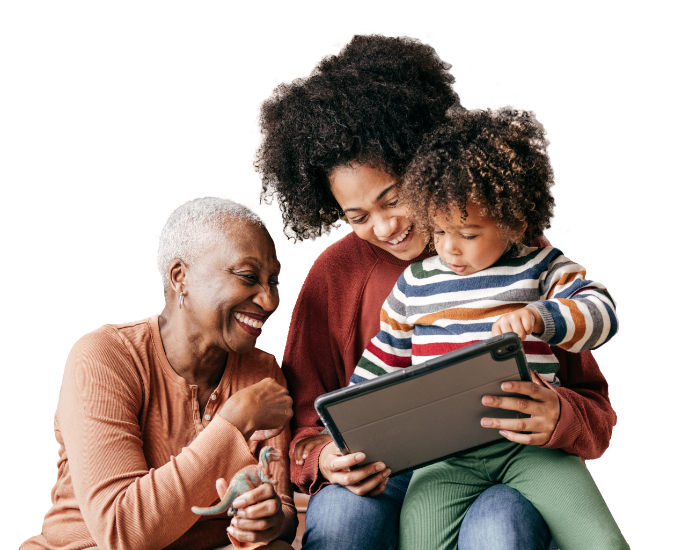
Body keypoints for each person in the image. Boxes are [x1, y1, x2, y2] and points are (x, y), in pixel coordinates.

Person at [252, 32, 617, 550]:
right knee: (340, 519)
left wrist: (560, 415)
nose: (384, 227)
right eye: (358, 217)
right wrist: (324, 458)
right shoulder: (333, 275)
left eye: (394, 198)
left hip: (509, 456)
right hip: (384, 474)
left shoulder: (509, 245)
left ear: (423, 166)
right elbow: (309, 419)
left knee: (499, 527)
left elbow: (592, 399)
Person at [349, 106, 627, 549]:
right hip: (443, 459)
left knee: (603, 543)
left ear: (514, 221)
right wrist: (353, 429)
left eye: (468, 233)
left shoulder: (543, 268)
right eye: (438, 231)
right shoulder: (415, 285)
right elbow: (381, 363)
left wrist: (542, 316)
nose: (449, 249)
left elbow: (602, 314)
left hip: (532, 448)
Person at [21, 197, 297, 550]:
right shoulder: (105, 357)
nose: (270, 301)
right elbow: (123, 531)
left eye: (274, 281)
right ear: (181, 277)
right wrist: (232, 422)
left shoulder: (262, 372)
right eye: (248, 277)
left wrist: (270, 519)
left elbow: (283, 508)